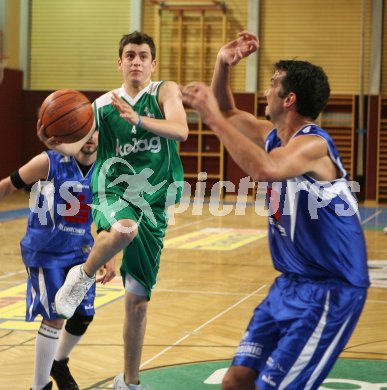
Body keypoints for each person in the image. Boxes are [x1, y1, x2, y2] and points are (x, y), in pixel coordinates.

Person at [181, 31, 369, 390]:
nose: (265, 92)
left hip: (330, 289)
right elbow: (228, 112)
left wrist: (212, 119)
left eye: (272, 85)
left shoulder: (313, 146)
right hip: (289, 284)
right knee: (235, 381)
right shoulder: (272, 135)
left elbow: (265, 168)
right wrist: (222, 64)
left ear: (290, 99)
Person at [42, 31, 188, 390]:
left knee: (137, 302)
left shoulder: (164, 92)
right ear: (119, 62)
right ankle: (81, 276)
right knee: (123, 228)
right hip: (112, 190)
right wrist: (55, 140)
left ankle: (130, 382)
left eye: (142, 56)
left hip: (153, 204)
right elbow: (81, 149)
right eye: (129, 55)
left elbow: (180, 130)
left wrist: (137, 119)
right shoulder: (102, 106)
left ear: (153, 64)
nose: (136, 61)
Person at [0, 131, 116, 390]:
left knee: (83, 315)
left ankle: (58, 362)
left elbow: (107, 214)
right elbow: (8, 185)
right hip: (46, 252)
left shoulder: (104, 170)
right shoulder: (48, 162)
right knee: (55, 317)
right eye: (82, 131)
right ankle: (39, 386)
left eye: (94, 131)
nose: (89, 137)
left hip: (81, 251)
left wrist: (110, 253)